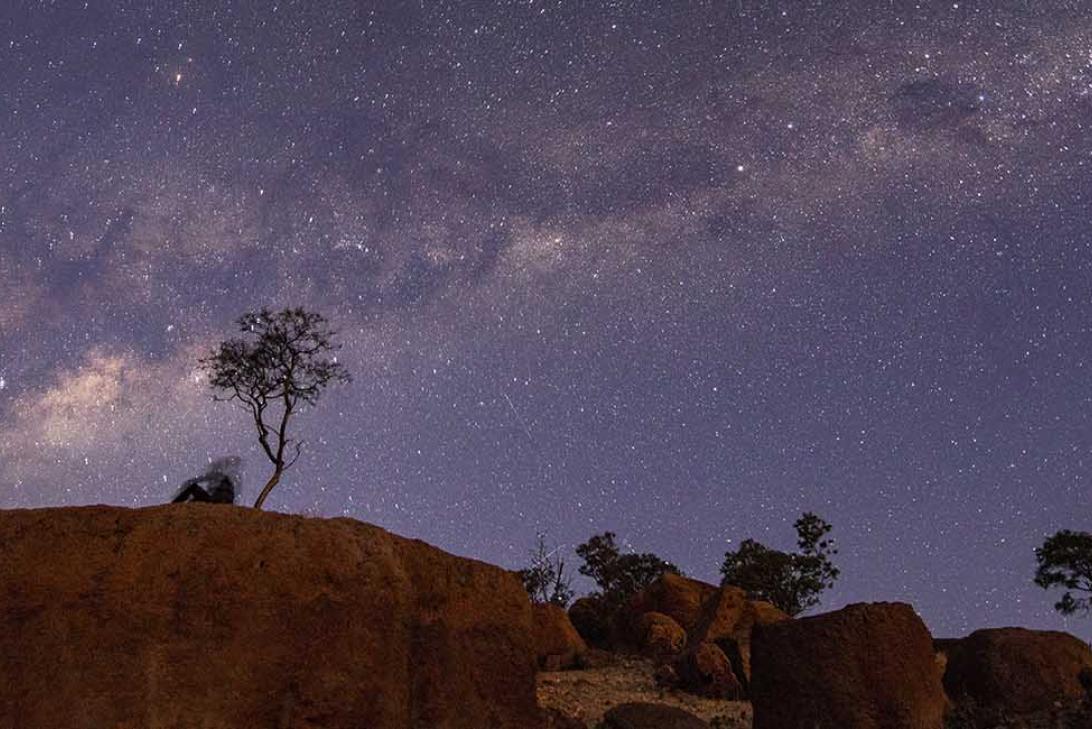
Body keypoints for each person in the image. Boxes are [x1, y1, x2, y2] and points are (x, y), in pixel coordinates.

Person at [170, 457, 241, 504]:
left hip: (215, 501)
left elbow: (196, 480)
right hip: (223, 502)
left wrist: (187, 484)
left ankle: (174, 505)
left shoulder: (217, 475)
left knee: (193, 488)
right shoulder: (228, 481)